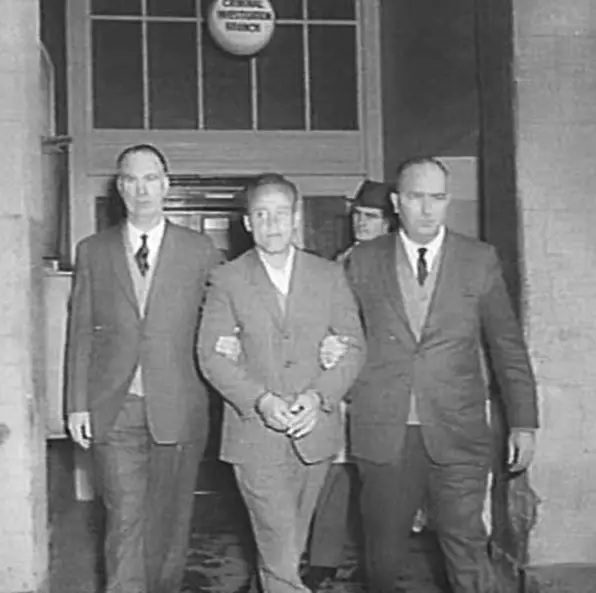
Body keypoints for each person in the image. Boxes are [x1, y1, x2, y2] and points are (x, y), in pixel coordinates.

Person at [345, 157, 539, 593]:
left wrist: (523, 422)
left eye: (437, 197)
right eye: (416, 197)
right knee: (382, 558)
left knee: (467, 547)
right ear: (397, 202)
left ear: (448, 201)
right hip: (384, 431)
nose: (427, 209)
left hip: (458, 429)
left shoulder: (479, 259)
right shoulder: (363, 260)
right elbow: (341, 334)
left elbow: (507, 346)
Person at [197, 173, 365, 593]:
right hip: (255, 436)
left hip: (315, 435)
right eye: (261, 214)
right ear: (247, 222)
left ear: (296, 217)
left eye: (280, 214)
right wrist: (261, 400)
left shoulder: (328, 275)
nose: (272, 224)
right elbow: (210, 356)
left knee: (287, 547)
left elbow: (355, 347)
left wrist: (319, 397)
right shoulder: (228, 279)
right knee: (279, 549)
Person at [66, 144, 221, 593]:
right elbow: (80, 331)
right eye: (131, 180)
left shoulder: (200, 250)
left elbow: (227, 316)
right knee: (125, 519)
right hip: (115, 408)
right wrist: (76, 404)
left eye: (151, 178)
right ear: (119, 187)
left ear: (166, 185)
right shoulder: (93, 250)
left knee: (170, 524)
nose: (142, 189)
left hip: (180, 406)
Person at [303, 179, 394, 591]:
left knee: (379, 482)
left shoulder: (395, 266)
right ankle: (323, 560)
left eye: (371, 217)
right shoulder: (340, 262)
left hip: (380, 387)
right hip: (340, 384)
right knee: (333, 473)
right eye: (358, 215)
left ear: (389, 222)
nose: (361, 223)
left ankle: (379, 564)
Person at [335, 179, 395, 264]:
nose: (361, 221)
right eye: (357, 213)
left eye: (370, 216)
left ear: (387, 223)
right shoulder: (345, 257)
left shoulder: (396, 259)